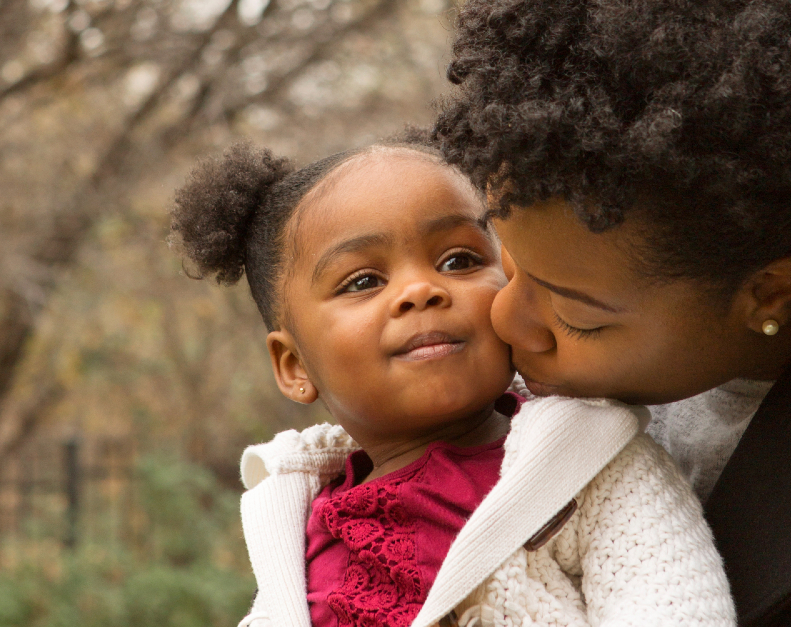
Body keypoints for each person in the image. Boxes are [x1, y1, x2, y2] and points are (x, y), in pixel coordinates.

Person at [433, 0, 791, 625]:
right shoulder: (477, 382)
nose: (504, 321)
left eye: (575, 315)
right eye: (508, 263)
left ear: (770, 293)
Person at [169, 137, 736, 626]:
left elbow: (674, 602)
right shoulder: (296, 514)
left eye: (459, 261)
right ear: (294, 367)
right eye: (364, 280)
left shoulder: (589, 460)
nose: (421, 291)